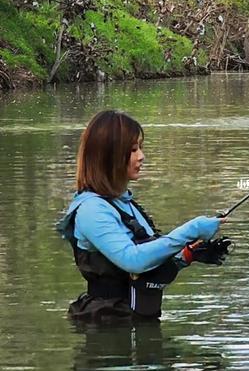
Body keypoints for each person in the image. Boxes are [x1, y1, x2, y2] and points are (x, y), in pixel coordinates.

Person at [57, 109, 230, 322]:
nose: (141, 156)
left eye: (140, 148)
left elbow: (148, 266)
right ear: (108, 156)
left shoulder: (126, 204)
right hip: (107, 328)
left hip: (137, 324)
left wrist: (187, 255)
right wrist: (191, 230)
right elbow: (133, 261)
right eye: (132, 150)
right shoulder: (91, 210)